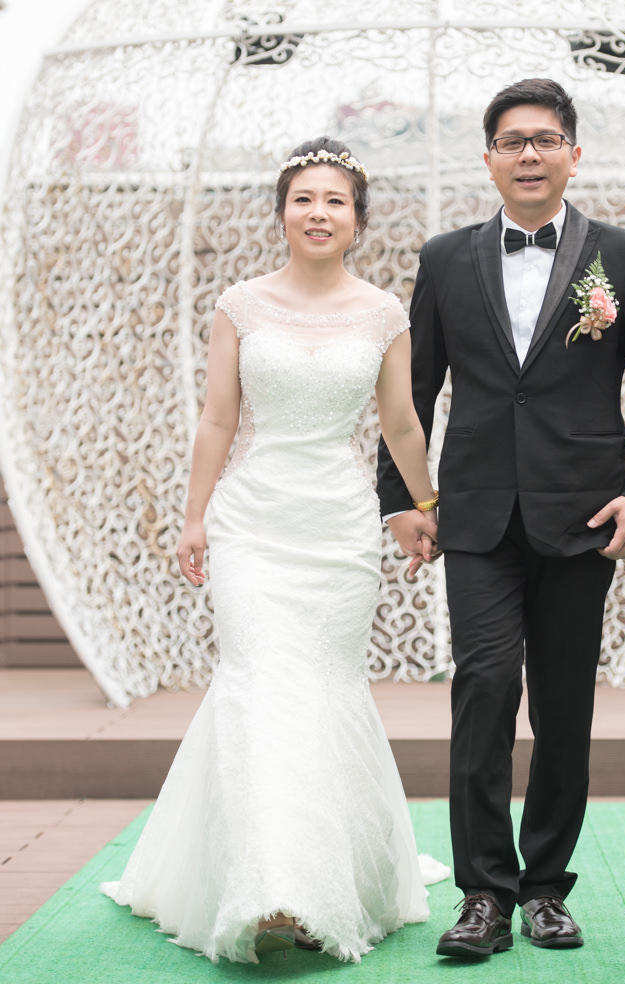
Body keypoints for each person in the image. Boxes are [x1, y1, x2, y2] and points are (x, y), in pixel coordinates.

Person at [102, 137, 444, 964]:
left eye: (335, 200)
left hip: (338, 529)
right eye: (303, 199)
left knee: (324, 688)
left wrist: (424, 505)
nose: (318, 213)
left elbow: (400, 423)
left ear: (357, 219)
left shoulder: (383, 313)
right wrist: (194, 517)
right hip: (252, 524)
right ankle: (266, 886)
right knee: (257, 684)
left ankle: (327, 876)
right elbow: (218, 417)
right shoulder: (240, 306)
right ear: (282, 213)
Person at [377, 78, 625, 958]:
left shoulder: (624, 257)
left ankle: (545, 888)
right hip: (474, 516)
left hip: (582, 515)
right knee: (482, 690)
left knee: (563, 702)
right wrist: (401, 498)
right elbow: (411, 394)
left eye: (544, 140)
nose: (527, 154)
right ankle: (483, 894)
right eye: (511, 141)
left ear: (572, 156)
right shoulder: (445, 258)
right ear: (488, 159)